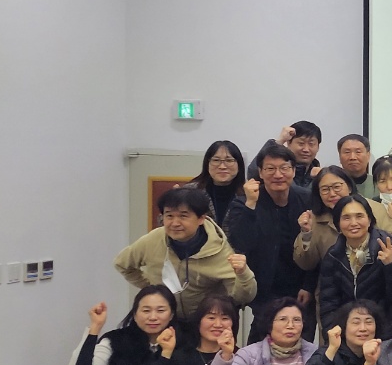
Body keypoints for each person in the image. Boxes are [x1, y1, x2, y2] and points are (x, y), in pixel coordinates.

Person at [115, 187, 256, 317]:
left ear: (201, 218)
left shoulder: (219, 250)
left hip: (204, 320)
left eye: (183, 216)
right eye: (169, 216)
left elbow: (241, 298)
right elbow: (122, 264)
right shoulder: (153, 240)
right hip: (165, 318)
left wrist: (243, 274)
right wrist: (152, 288)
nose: (175, 223)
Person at [224, 141, 312, 341]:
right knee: (261, 341)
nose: (278, 174)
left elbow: (316, 247)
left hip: (299, 286)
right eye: (270, 169)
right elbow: (240, 243)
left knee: (299, 342)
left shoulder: (307, 199)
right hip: (263, 287)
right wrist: (250, 204)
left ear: (293, 171)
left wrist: (308, 285)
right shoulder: (243, 202)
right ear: (260, 173)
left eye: (284, 168)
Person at [317, 196, 392, 331]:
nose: (353, 223)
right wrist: (335, 334)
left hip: (384, 331)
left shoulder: (390, 247)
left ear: (369, 220)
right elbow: (328, 303)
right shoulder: (333, 255)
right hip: (348, 332)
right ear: (338, 223)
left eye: (359, 216)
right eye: (346, 218)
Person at [249, 121, 322, 191]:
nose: (306, 149)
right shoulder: (278, 171)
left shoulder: (320, 175)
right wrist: (279, 141)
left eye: (311, 144)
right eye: (301, 143)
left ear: (318, 147)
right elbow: (253, 173)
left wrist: (321, 178)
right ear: (289, 143)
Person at [188, 140, 246, 222]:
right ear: (207, 164)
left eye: (229, 160)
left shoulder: (249, 194)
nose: (222, 166)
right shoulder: (190, 191)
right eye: (216, 160)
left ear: (239, 165)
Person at [337, 134, 377, 199]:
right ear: (339, 157)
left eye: (358, 152)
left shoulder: (378, 184)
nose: (352, 157)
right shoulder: (333, 186)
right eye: (347, 152)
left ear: (368, 155)